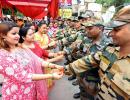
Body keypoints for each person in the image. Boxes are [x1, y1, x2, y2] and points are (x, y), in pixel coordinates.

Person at [65, 5, 130, 100]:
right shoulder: (110, 50)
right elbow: (88, 60)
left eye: (117, 29)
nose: (110, 33)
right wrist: (64, 69)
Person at [0, 21, 63, 100]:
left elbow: (37, 60)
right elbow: (23, 76)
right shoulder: (3, 55)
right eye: (13, 33)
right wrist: (51, 75)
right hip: (16, 93)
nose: (18, 36)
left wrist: (54, 65)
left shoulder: (21, 47)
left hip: (30, 90)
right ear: (3, 35)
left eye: (18, 33)